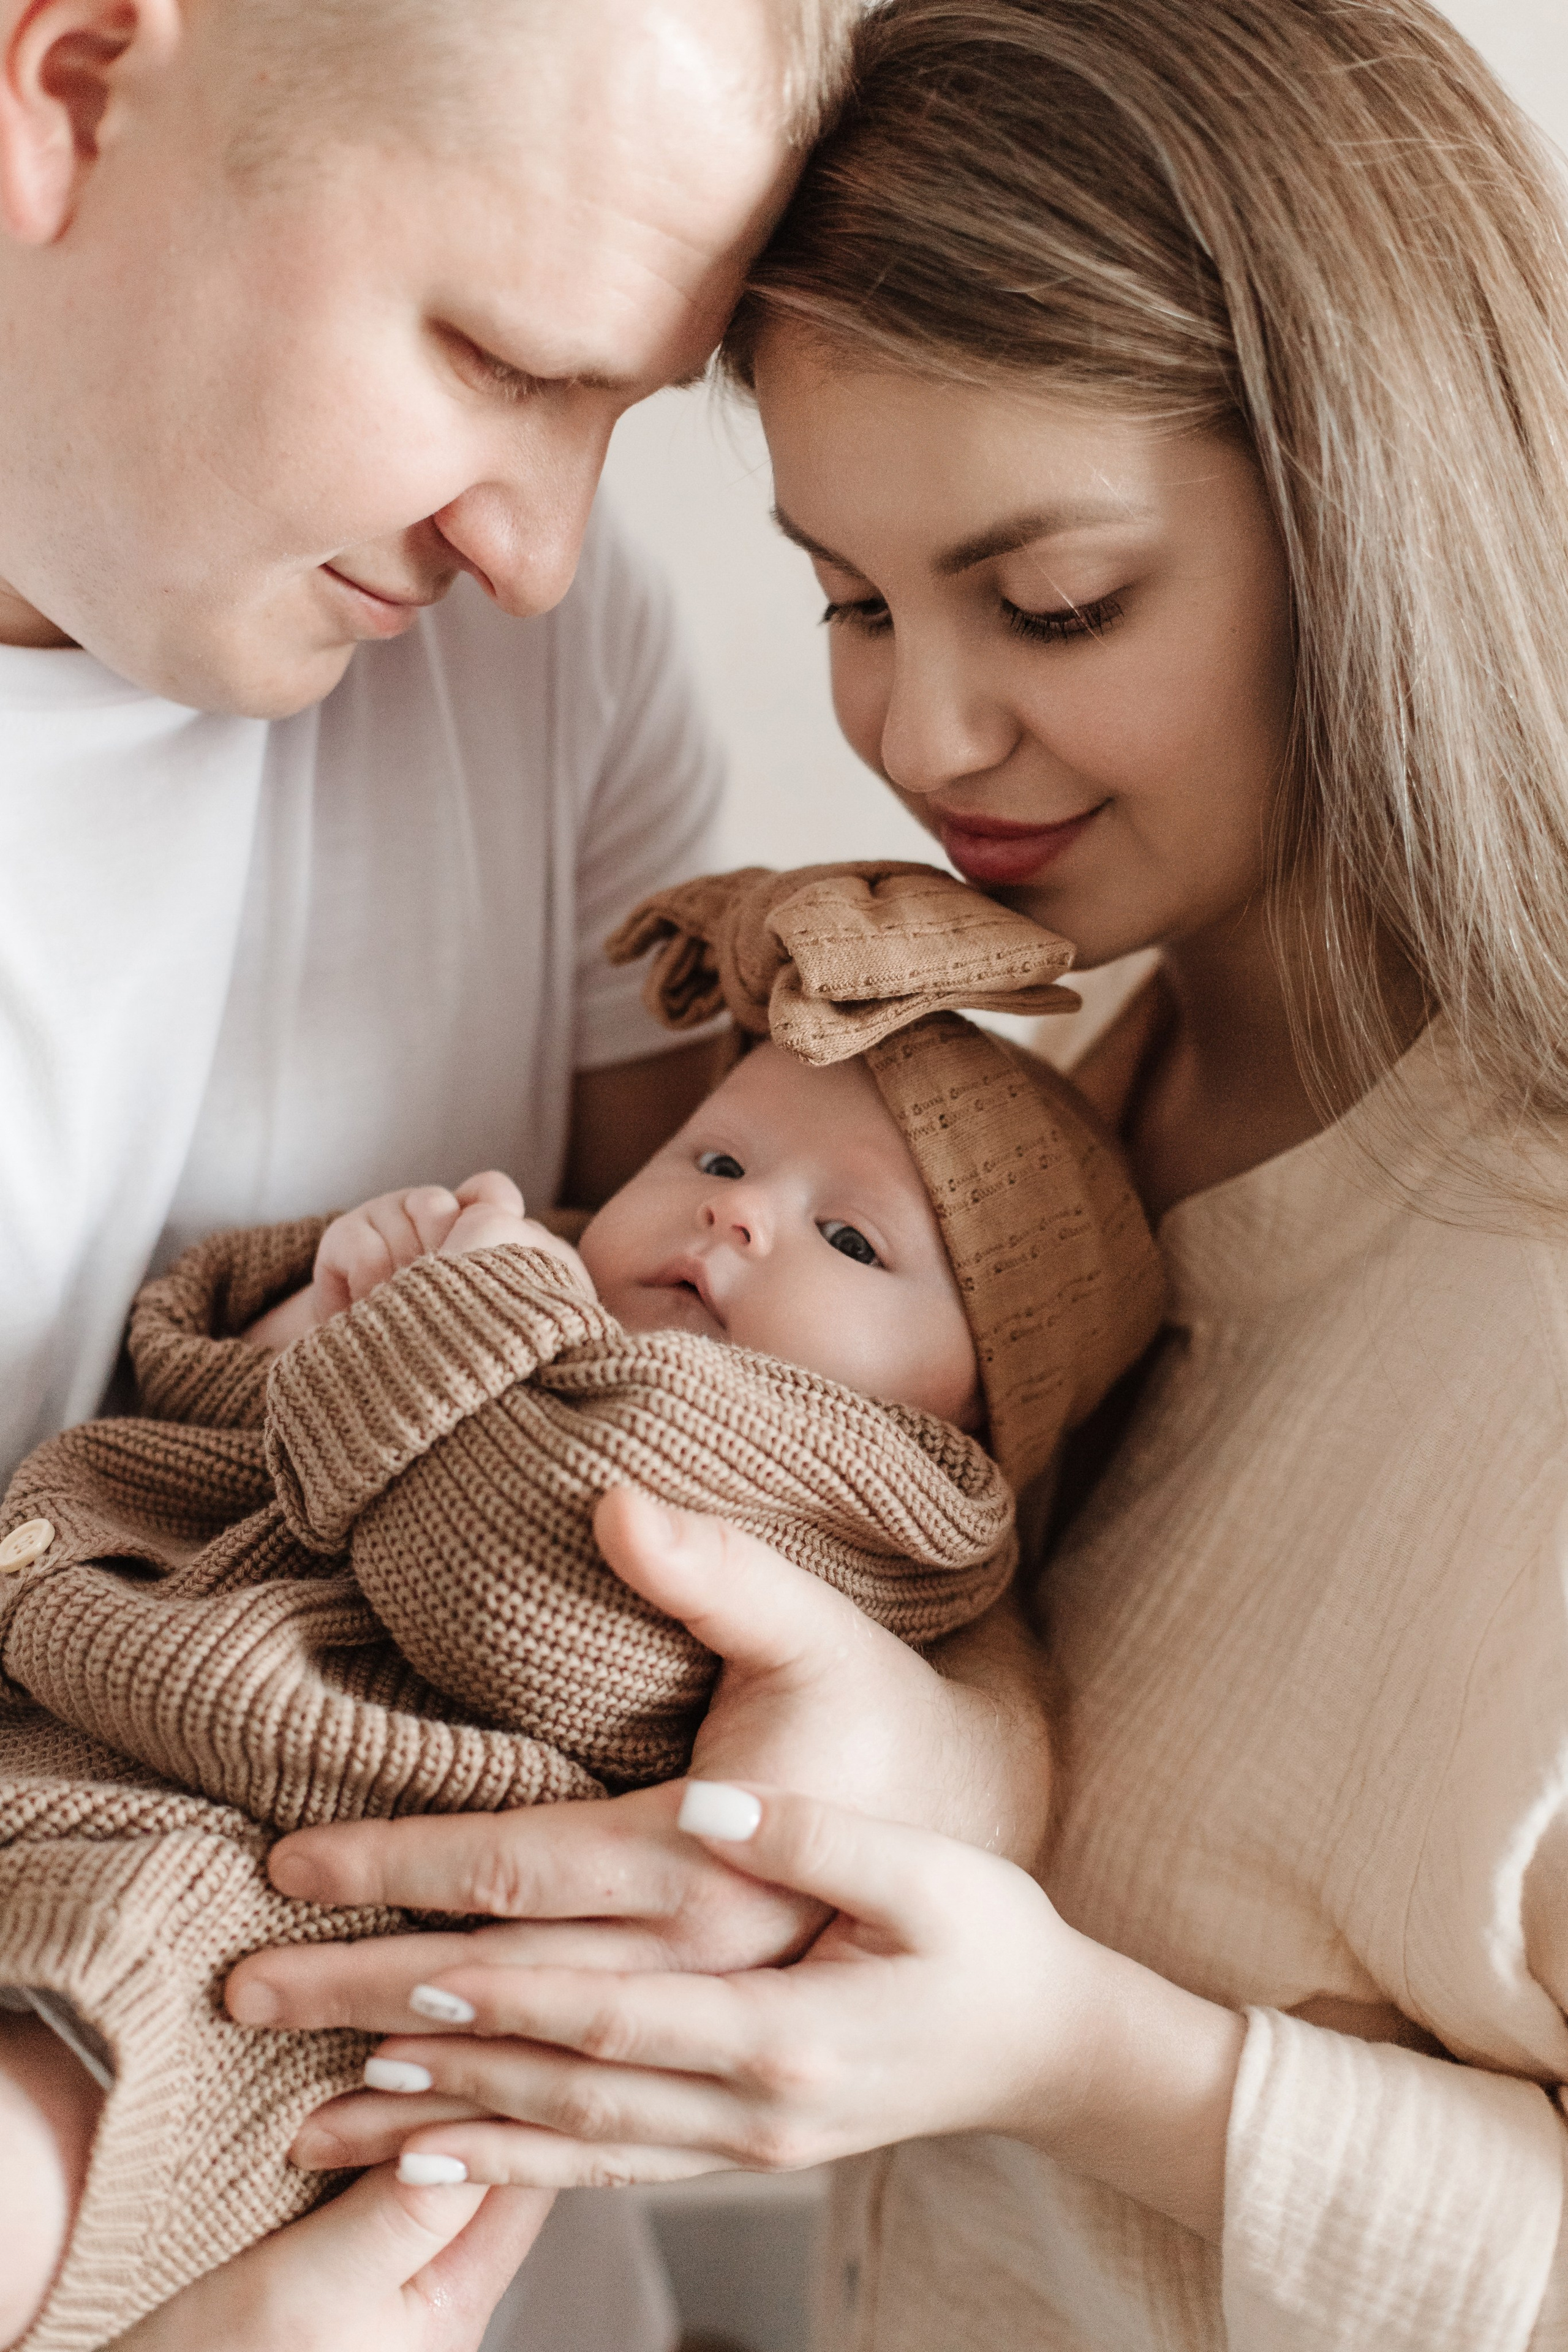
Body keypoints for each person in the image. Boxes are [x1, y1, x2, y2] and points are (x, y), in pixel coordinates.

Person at [216, 2, 1568, 2346]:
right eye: (847, 597)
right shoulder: (1051, 1105)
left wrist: (1082, 2064)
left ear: (1382, 509)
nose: (918, 739)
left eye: (1052, 606)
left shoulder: (1520, 1302)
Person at [0, 1, 891, 2346]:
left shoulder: (546, 657)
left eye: (620, 413)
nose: (543, 541)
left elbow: (794, 1389)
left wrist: (898, 1762)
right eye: (499, 358)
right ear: (72, 91)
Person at [0, 859, 1164, 2348]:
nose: (741, 1222)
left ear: (980, 1410)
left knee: (44, 2148)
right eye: (719, 1162)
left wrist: (452, 1318)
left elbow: (516, 1582)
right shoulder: (540, 1298)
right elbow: (222, 1445)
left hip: (257, 1905)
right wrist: (314, 1317)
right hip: (82, 1746)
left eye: (853, 1241)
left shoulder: (858, 1495)